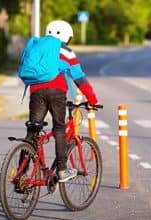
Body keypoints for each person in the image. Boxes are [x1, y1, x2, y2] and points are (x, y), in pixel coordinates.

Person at [25, 20, 99, 182]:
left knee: (32, 130)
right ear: (66, 36)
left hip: (36, 91)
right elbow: (79, 78)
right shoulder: (67, 51)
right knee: (59, 128)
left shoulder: (38, 47)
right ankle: (62, 170)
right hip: (56, 92)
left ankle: (22, 172)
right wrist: (92, 99)